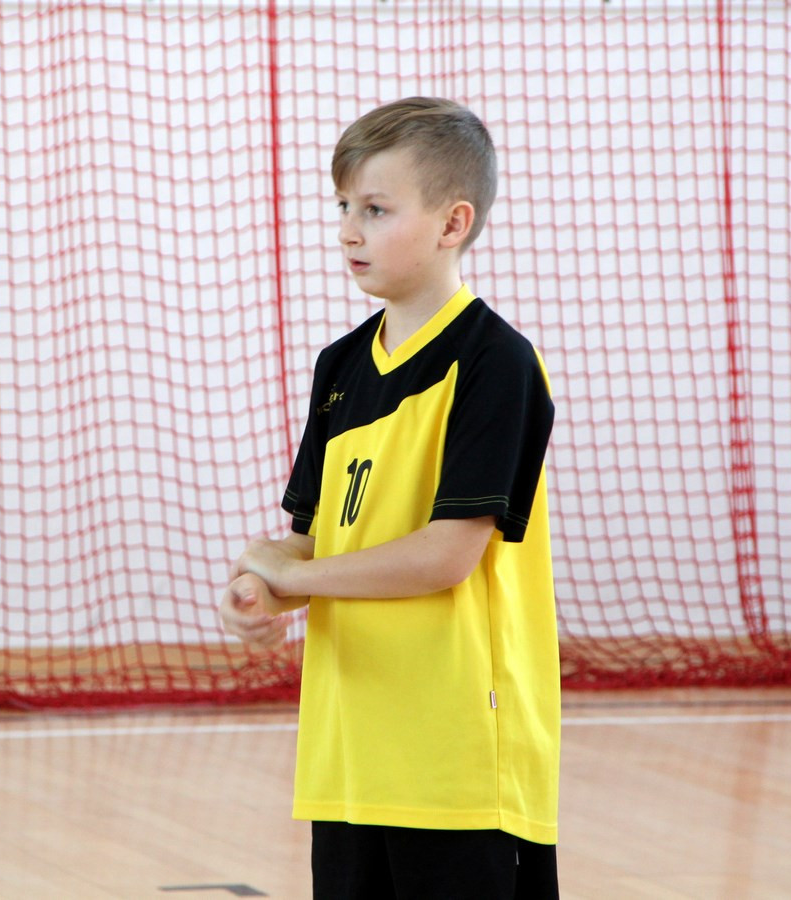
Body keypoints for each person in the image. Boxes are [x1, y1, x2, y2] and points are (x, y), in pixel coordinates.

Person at [220, 97, 560, 900]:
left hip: (459, 765)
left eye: (374, 210)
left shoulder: (495, 364)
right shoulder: (340, 368)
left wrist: (294, 576)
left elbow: (444, 557)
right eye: (342, 206)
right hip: (347, 756)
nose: (348, 231)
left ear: (452, 224)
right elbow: (316, 542)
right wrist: (261, 589)